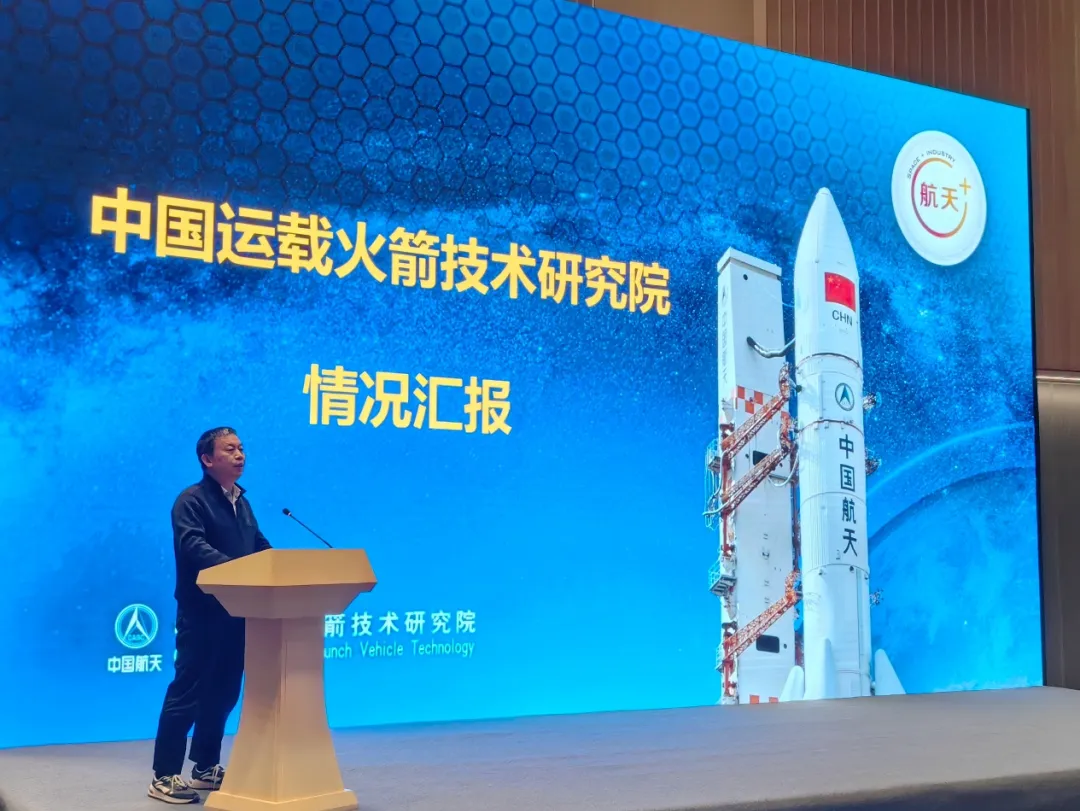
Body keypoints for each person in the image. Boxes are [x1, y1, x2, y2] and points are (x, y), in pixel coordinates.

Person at [148, 427, 272, 804]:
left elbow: (258, 544)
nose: (240, 455)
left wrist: (276, 564)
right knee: (189, 690)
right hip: (202, 611)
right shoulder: (191, 500)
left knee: (223, 691)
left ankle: (204, 766)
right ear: (207, 459)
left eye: (241, 448)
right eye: (230, 449)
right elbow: (193, 546)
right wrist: (237, 571)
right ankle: (164, 775)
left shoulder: (241, 501)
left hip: (238, 611)